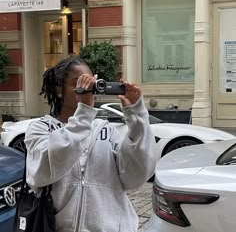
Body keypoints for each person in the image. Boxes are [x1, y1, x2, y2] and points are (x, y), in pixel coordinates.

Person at [25, 56, 157, 232]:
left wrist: (136, 115)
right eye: (78, 83)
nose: (86, 90)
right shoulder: (41, 128)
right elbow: (41, 173)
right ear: (59, 90)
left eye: (90, 83)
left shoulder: (106, 130)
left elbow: (136, 176)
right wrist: (84, 113)